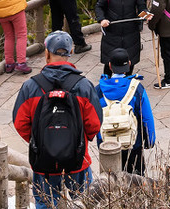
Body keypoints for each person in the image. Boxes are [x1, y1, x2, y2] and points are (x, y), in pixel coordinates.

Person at [12, 31, 103, 209]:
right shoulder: (83, 86)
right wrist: (79, 139)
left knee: (44, 203)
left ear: (46, 54)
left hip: (43, 161)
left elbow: (19, 122)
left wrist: (39, 140)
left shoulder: (31, 86)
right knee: (84, 202)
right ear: (70, 53)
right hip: (78, 158)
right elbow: (94, 124)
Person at [96, 47, 155, 176]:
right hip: (133, 144)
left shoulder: (99, 90)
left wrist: (100, 140)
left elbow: (95, 118)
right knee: (136, 180)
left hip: (108, 146)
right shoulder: (137, 88)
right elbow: (146, 117)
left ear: (109, 65)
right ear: (129, 64)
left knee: (110, 181)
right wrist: (150, 140)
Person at [95, 0, 146, 76]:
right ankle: (108, 84)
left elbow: (142, 7)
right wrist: (102, 19)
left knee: (130, 61)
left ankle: (127, 84)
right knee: (109, 62)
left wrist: (145, 14)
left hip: (131, 33)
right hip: (112, 34)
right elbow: (99, 6)